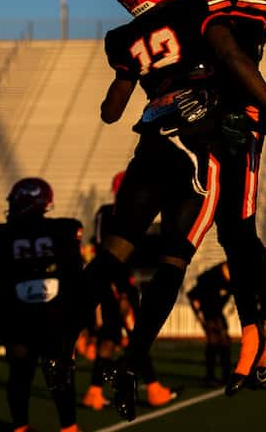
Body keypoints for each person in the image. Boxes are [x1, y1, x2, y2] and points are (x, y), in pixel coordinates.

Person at [86, 0, 266, 396]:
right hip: (214, 117)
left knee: (241, 231)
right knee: (231, 233)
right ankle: (252, 334)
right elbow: (177, 5)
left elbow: (229, 51)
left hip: (240, 117)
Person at [0, 177, 84, 432]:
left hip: (18, 319)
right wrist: (82, 320)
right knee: (59, 375)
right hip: (54, 318)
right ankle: (69, 428)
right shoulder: (64, 231)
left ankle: (21, 428)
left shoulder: (0, 236)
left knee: (19, 375)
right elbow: (75, 279)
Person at [82, 171, 177, 411]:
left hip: (114, 281)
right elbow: (109, 250)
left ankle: (94, 391)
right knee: (137, 337)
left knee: (110, 338)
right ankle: (154, 388)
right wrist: (119, 289)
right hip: (118, 283)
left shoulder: (109, 213)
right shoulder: (116, 213)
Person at [187, 262, 233, 386]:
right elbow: (193, 296)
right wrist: (200, 314)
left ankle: (219, 376)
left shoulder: (227, 279)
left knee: (221, 343)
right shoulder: (211, 278)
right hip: (210, 312)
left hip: (214, 312)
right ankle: (213, 376)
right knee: (218, 343)